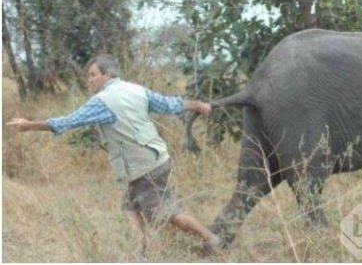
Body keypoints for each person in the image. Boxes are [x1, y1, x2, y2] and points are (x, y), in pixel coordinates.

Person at [7, 54, 219, 256]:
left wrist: (30, 125)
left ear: (107, 74)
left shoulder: (103, 101)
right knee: (129, 205)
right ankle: (141, 249)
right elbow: (169, 104)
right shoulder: (135, 89)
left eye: (93, 75)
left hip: (144, 167)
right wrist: (198, 105)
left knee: (170, 215)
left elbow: (67, 121)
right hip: (157, 159)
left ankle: (211, 240)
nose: (89, 80)